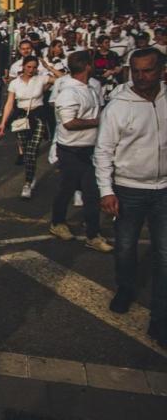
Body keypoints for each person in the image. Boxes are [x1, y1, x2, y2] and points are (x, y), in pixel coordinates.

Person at [95, 48, 167, 347]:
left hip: (164, 190)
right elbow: (103, 151)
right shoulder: (118, 106)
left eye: (147, 70)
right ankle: (125, 289)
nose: (141, 76)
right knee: (125, 247)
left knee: (164, 256)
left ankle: (160, 319)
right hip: (128, 189)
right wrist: (106, 190)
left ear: (161, 70)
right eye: (135, 70)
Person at [49, 51, 113, 252]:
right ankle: (57, 223)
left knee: (91, 193)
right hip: (70, 151)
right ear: (87, 66)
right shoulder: (69, 92)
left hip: (89, 150)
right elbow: (68, 123)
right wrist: (98, 121)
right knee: (67, 189)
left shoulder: (91, 88)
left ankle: (93, 235)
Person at [0, 57, 56, 199]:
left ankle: (27, 183)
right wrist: (3, 122)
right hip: (21, 118)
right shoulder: (15, 83)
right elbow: (10, 103)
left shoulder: (41, 79)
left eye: (34, 67)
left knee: (32, 149)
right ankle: (31, 174)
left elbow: (64, 78)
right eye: (28, 67)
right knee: (26, 152)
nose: (31, 70)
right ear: (23, 66)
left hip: (38, 116)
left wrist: (48, 67)